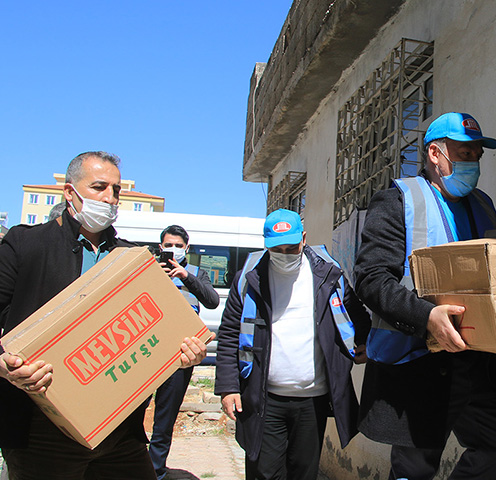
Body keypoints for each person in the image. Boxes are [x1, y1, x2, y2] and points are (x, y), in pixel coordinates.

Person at [0, 151, 212, 480]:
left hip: (120, 434)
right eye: (99, 187)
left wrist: (181, 354)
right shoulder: (25, 245)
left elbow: (155, 332)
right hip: (40, 432)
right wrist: (5, 367)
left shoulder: (131, 260)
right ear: (70, 192)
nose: (110, 197)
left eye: (116, 190)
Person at [353, 112, 496, 480]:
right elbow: (371, 277)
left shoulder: (484, 204)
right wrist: (427, 316)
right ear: (434, 153)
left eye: (477, 154)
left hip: (478, 362)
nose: (473, 162)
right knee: (415, 469)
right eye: (464, 153)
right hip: (420, 361)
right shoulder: (398, 200)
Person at [215, 209, 371, 480]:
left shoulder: (328, 274)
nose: (285, 254)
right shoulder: (250, 277)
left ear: (304, 239)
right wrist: (228, 387)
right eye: (277, 249)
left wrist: (366, 343)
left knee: (303, 472)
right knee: (264, 472)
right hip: (264, 397)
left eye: (292, 247)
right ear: (266, 245)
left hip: (313, 399)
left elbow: (356, 313)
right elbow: (229, 333)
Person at [148, 225, 220, 480]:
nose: (173, 250)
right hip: (148, 353)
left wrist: (185, 276)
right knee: (134, 415)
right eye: (169, 245)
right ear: (160, 247)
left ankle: (155, 470)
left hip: (181, 355)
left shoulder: (197, 273)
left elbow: (212, 300)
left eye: (179, 246)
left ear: (187, 248)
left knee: (165, 418)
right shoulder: (150, 269)